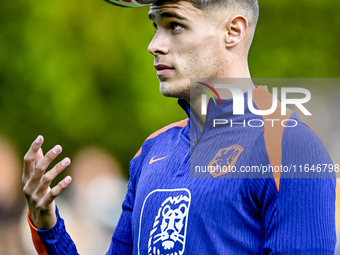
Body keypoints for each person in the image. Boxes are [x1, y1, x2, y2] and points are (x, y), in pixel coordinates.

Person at [22, 0, 336, 254]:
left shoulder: (289, 147)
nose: (154, 45)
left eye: (174, 25)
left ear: (233, 31)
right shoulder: (152, 150)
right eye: (155, 26)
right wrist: (48, 228)